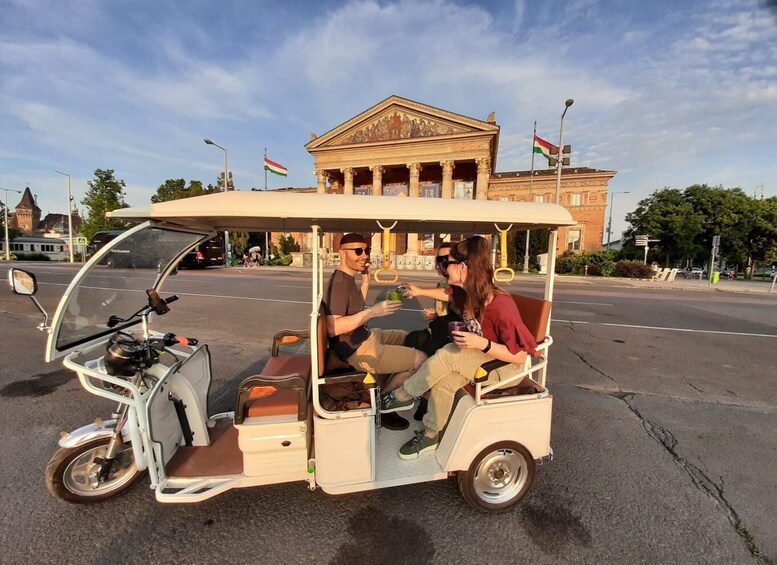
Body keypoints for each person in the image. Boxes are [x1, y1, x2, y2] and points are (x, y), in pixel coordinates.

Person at [380, 236, 538, 460]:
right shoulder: (467, 293)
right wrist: (418, 291)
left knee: (447, 354)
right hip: (482, 356)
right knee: (443, 382)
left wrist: (481, 343)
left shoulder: (500, 305)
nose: (444, 268)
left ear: (464, 268)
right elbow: (447, 293)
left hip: (505, 365)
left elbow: (520, 356)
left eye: (449, 263)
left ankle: (402, 395)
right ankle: (430, 435)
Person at [324, 233, 427, 430]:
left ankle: (383, 387)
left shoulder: (347, 277)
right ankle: (382, 405)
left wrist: (366, 283)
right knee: (420, 358)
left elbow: (355, 308)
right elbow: (334, 327)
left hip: (367, 336)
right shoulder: (339, 284)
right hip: (358, 350)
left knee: (409, 338)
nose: (364, 255)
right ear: (342, 253)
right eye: (358, 251)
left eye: (366, 250)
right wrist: (373, 312)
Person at [401, 242, 462, 420]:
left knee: (428, 349)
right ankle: (417, 392)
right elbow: (447, 307)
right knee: (412, 340)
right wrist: (435, 314)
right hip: (444, 328)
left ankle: (421, 396)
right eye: (439, 259)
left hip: (456, 336)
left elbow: (453, 296)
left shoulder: (462, 282)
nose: (442, 264)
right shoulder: (445, 281)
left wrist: (420, 291)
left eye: (447, 259)